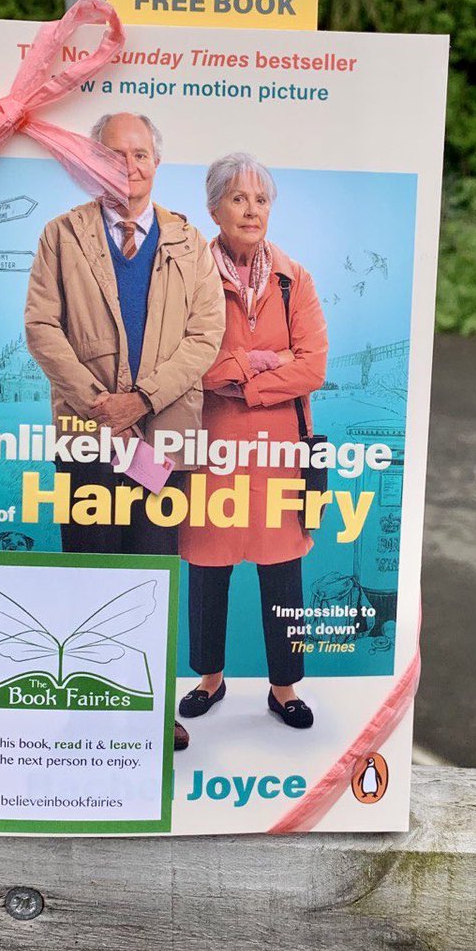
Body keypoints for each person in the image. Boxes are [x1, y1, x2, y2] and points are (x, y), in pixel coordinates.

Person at [24, 112, 226, 752]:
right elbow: (42, 327)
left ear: (156, 164)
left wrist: (140, 399)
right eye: (115, 156)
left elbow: (204, 338)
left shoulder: (191, 246)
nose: (129, 168)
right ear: (92, 162)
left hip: (163, 439)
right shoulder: (61, 237)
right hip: (88, 435)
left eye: (141, 155)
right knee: (88, 570)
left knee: (152, 573)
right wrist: (96, 403)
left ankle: (149, 712)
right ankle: (87, 714)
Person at [176, 152, 328, 730]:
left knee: (282, 569)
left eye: (261, 199)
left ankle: (283, 688)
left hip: (278, 454)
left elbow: (312, 367)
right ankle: (209, 680)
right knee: (207, 571)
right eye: (238, 199)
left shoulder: (295, 279)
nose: (251, 210)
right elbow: (187, 365)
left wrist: (240, 378)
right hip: (211, 451)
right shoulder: (190, 278)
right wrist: (263, 361)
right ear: (214, 207)